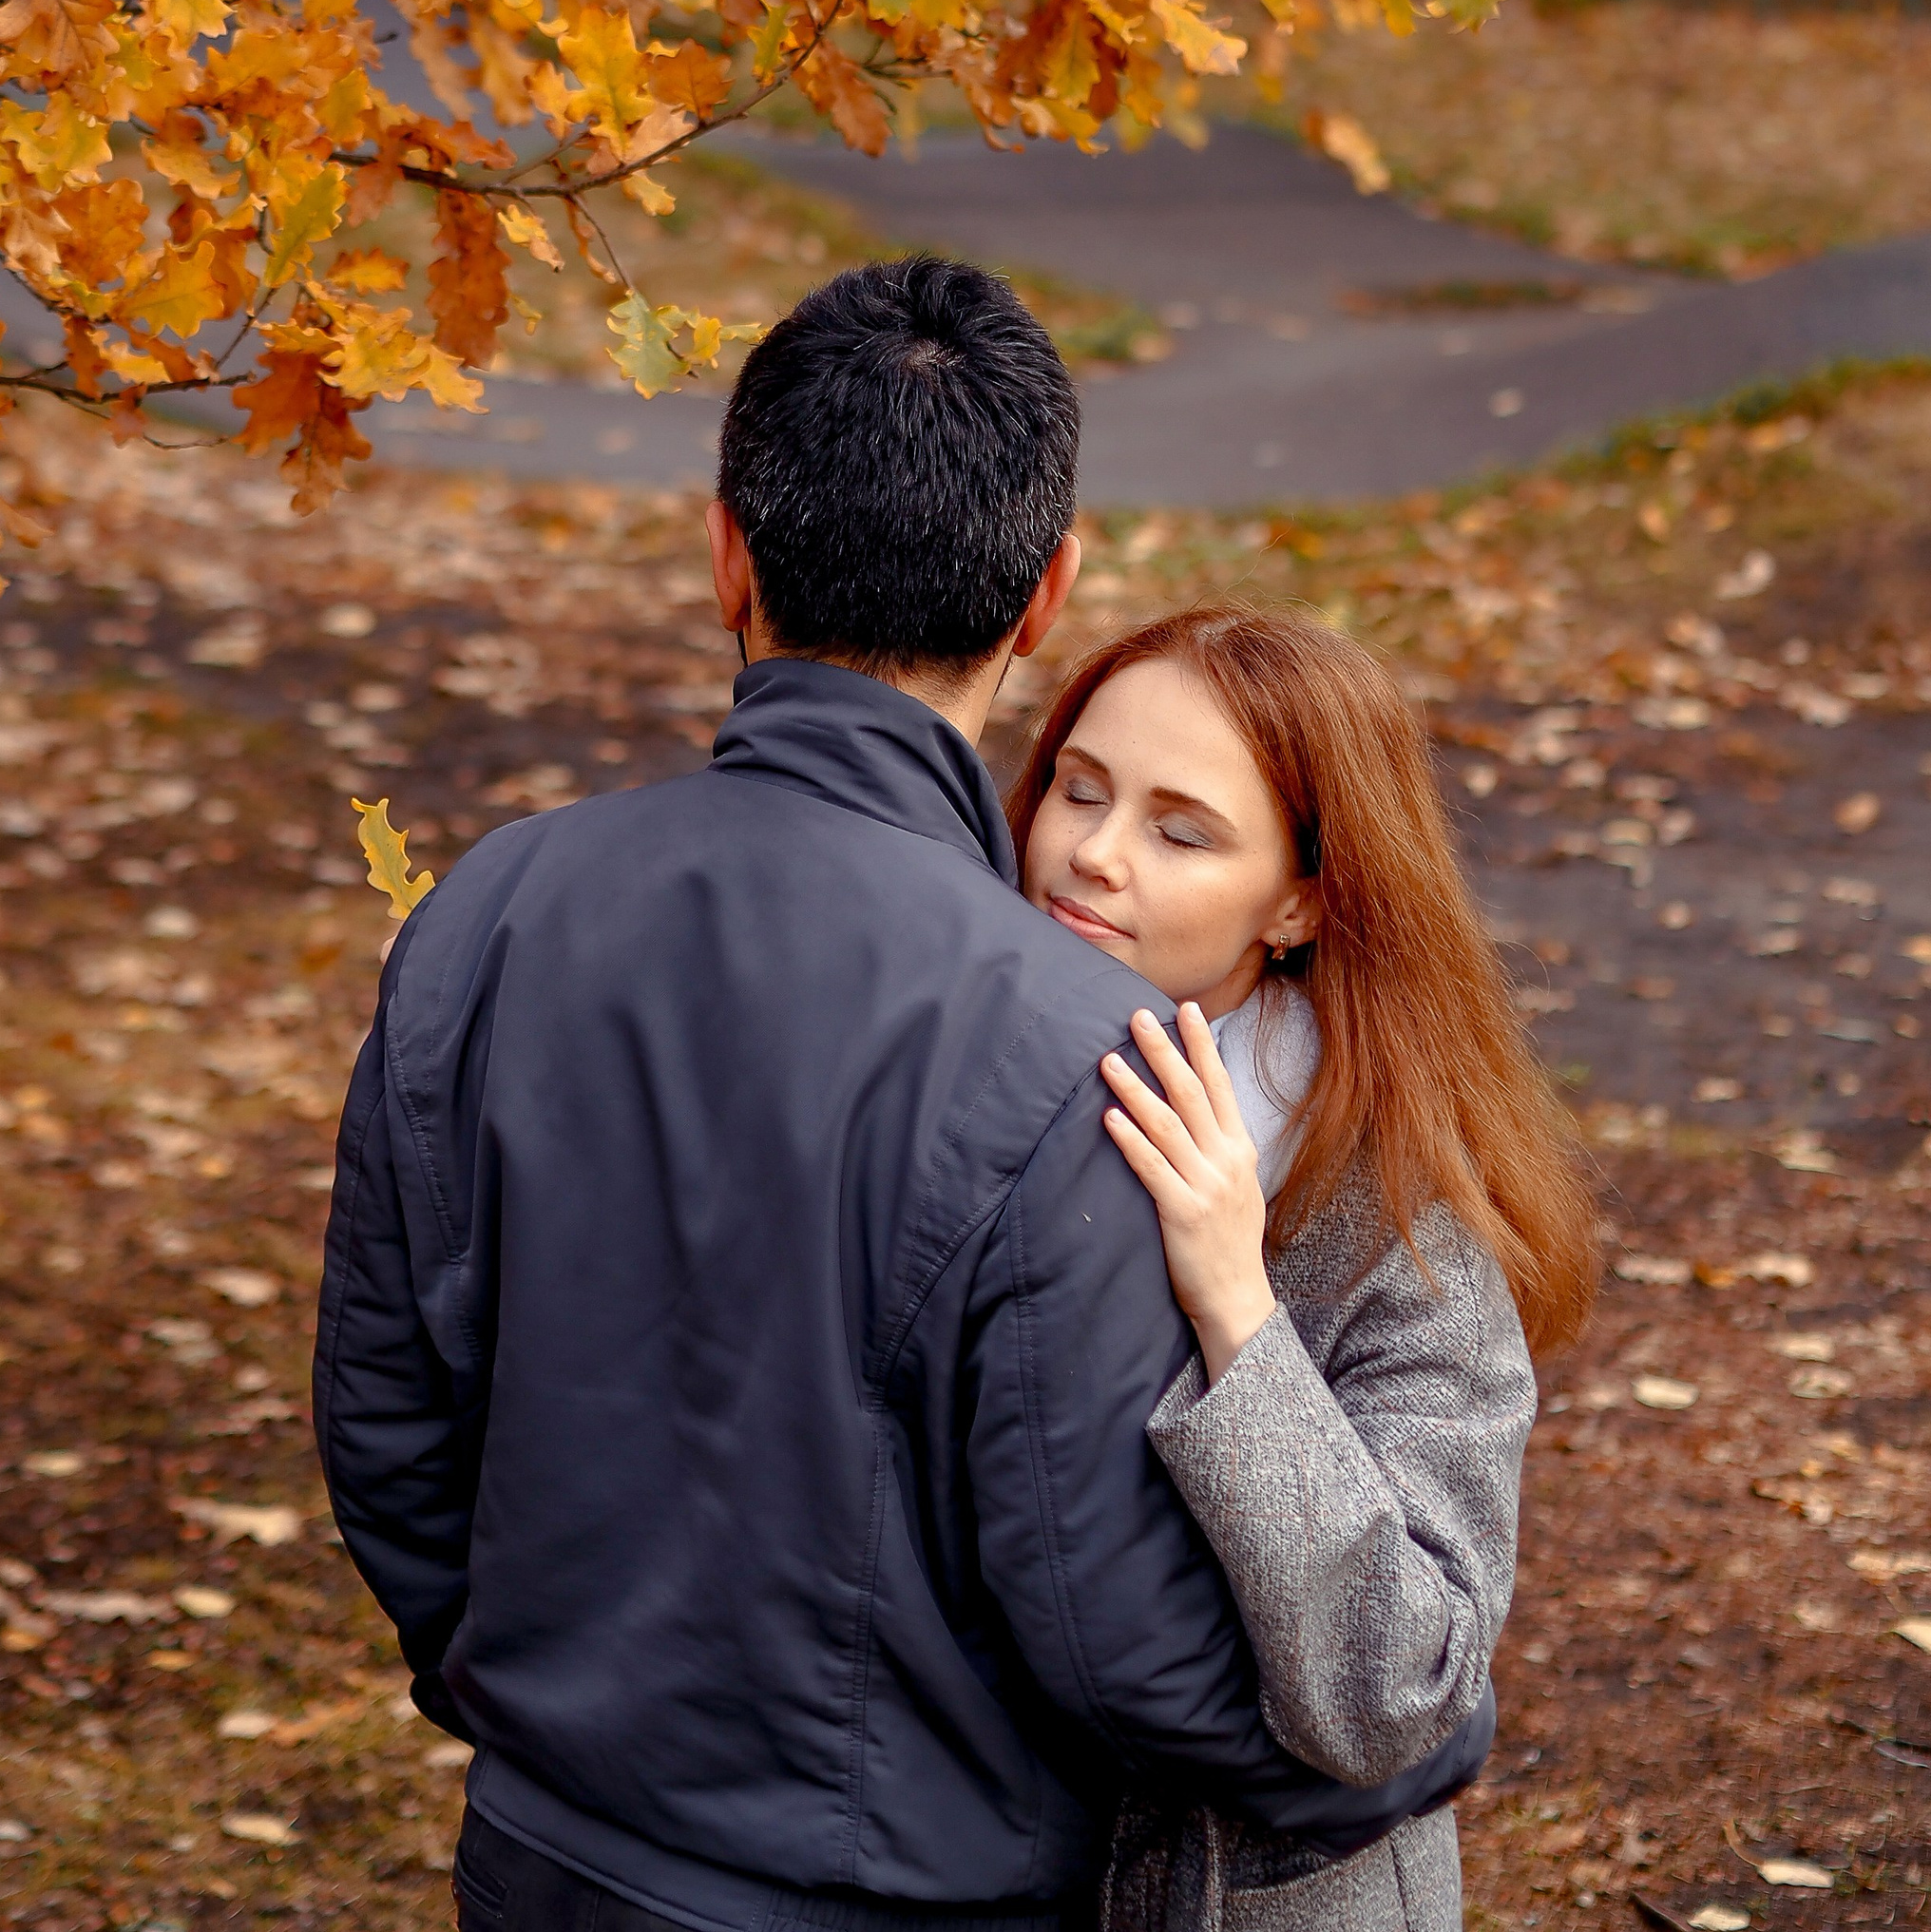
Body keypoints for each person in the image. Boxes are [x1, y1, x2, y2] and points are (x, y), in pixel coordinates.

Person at [315, 260, 1493, 1932]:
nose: (1100, 845)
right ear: (1045, 595)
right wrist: (1397, 1758)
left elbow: (390, 1422)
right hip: (907, 1889)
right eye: (1088, 794)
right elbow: (1110, 1617)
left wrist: (535, 1711)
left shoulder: (489, 912)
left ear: (726, 548)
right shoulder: (1076, 1048)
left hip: (549, 1859)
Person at [1008, 605, 1602, 1931]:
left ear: (1299, 897)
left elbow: (1398, 1687)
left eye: (1180, 829)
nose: (1091, 854)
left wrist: (1238, 1308)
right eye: (1079, 787)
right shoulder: (969, 1103)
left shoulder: (1392, 1224)